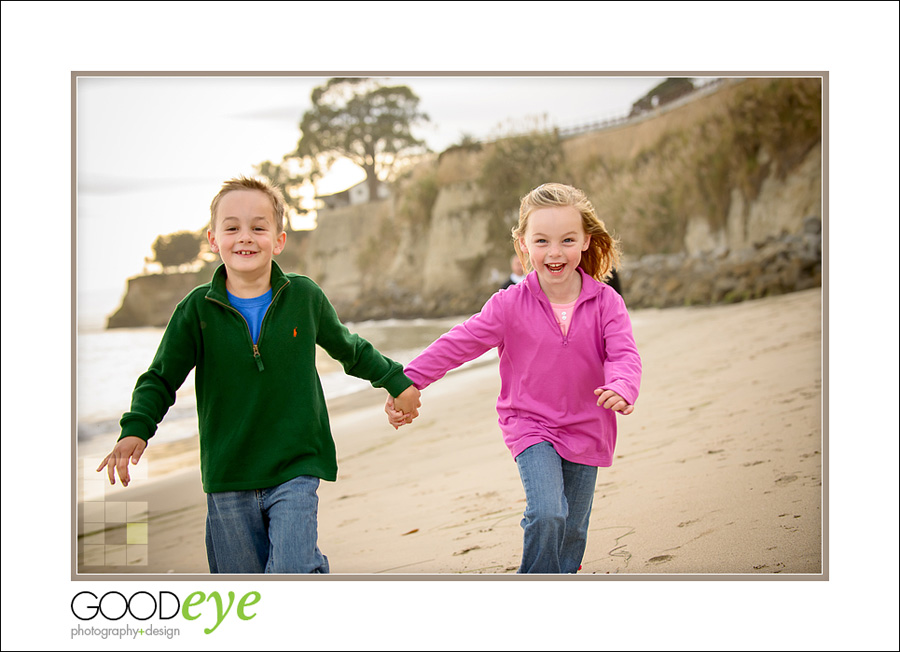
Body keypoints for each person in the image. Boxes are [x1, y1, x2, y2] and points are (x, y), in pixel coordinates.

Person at [97, 175, 421, 574]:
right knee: (242, 588)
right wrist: (136, 428)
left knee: (290, 570)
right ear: (214, 240)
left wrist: (397, 380)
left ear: (279, 240)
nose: (245, 237)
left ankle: (305, 568)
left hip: (296, 465)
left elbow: (349, 349)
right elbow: (161, 378)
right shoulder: (196, 310)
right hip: (228, 473)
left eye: (258, 227)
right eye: (232, 227)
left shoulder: (303, 297)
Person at [386, 182, 641, 573]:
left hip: (589, 424)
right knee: (547, 513)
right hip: (530, 423)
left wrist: (622, 385)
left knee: (572, 527)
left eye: (567, 240)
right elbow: (462, 341)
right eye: (542, 241)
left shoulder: (606, 302)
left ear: (586, 241)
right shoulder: (509, 304)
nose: (555, 253)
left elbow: (623, 353)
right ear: (524, 245)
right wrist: (407, 380)